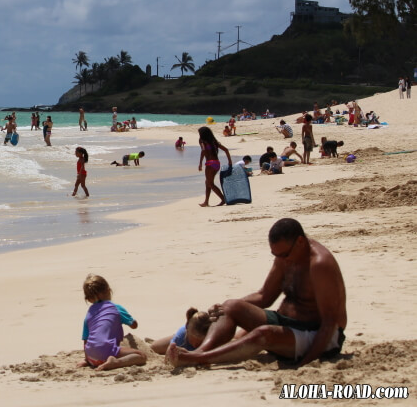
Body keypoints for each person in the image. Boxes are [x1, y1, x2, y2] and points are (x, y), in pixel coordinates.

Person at [167, 218, 346, 368]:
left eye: (283, 255)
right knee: (230, 305)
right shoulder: (285, 256)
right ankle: (200, 351)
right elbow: (264, 296)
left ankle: (196, 359)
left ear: (300, 242)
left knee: (264, 333)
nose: (280, 260)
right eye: (275, 255)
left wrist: (305, 363)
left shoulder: (320, 265)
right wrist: (223, 310)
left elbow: (330, 323)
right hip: (287, 324)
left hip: (317, 335)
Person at [78, 274, 146, 370]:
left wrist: (87, 359)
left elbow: (86, 339)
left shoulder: (89, 313)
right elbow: (134, 325)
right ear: (108, 290)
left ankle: (91, 361)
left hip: (90, 356)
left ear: (88, 299)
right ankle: (116, 362)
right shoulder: (116, 308)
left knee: (98, 350)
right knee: (141, 356)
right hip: (106, 351)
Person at [197, 126, 232, 206]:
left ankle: (223, 199)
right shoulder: (213, 141)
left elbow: (203, 151)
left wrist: (200, 163)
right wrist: (230, 162)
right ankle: (206, 202)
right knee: (208, 182)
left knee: (210, 183)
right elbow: (226, 150)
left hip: (210, 164)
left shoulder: (202, 140)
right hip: (216, 163)